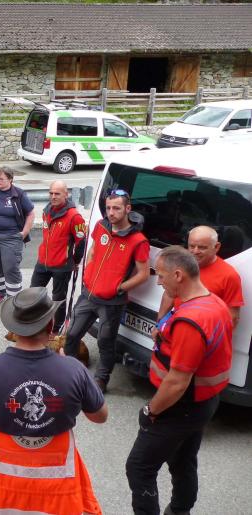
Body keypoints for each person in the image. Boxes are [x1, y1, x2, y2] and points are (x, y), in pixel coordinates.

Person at [0, 287, 107, 514]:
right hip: (56, 494)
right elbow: (100, 416)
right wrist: (71, 369)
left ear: (13, 328)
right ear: (51, 325)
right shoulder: (73, 369)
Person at [126, 246, 233, 515]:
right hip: (202, 403)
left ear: (178, 275)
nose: (158, 282)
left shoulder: (191, 320)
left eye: (161, 276)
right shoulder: (212, 303)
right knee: (184, 461)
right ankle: (180, 510)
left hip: (181, 406)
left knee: (139, 467)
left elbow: (177, 382)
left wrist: (150, 410)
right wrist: (165, 335)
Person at [63, 189, 150, 393]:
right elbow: (93, 250)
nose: (111, 213)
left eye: (116, 208)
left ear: (128, 209)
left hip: (112, 302)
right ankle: (69, 370)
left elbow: (143, 274)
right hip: (88, 294)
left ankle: (101, 379)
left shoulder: (138, 241)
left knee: (105, 341)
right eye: (108, 208)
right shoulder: (101, 226)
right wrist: (88, 273)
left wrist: (119, 287)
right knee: (71, 334)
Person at [155, 225, 243, 329]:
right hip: (178, 326)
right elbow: (170, 294)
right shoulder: (182, 264)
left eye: (202, 247)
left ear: (216, 247)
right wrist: (159, 324)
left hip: (201, 333)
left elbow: (232, 317)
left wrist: (208, 336)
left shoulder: (229, 275)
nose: (195, 251)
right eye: (191, 246)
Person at [29, 180, 86, 331]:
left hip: (62, 266)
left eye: (57, 194)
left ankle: (56, 329)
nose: (53, 196)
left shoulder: (75, 217)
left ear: (66, 195)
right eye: (51, 193)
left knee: (58, 300)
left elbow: (81, 242)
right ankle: (34, 324)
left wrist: (75, 261)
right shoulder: (46, 211)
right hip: (43, 262)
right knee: (33, 294)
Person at [0, 167, 35, 304]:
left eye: (1, 179)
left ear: (10, 179)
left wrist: (24, 232)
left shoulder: (19, 195)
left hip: (11, 238)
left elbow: (30, 214)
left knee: (10, 267)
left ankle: (13, 298)